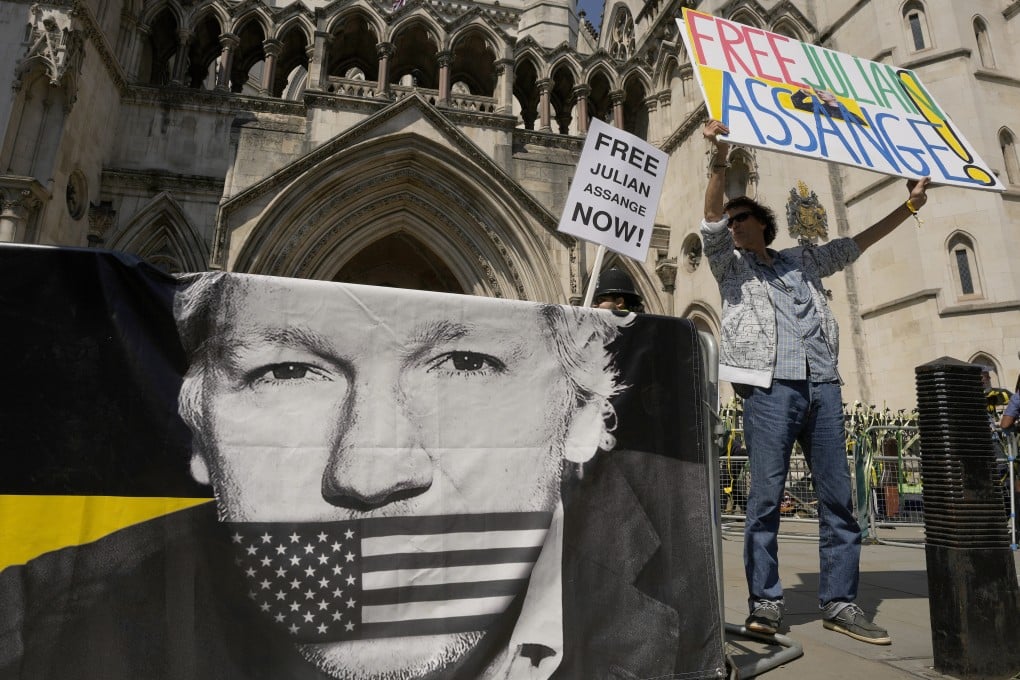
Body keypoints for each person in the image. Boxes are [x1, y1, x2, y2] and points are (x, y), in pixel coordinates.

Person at [0, 260, 724, 680]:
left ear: (582, 420)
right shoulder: (39, 615)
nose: (367, 472)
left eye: (466, 364)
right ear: (198, 432)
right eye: (287, 372)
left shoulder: (679, 564)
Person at [700, 118, 930, 646]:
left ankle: (840, 603)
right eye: (730, 220)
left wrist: (912, 205)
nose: (731, 225)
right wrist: (718, 158)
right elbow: (709, 218)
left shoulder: (803, 261)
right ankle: (766, 603)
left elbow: (857, 244)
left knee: (839, 499)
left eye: (741, 218)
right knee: (764, 500)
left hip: (823, 385)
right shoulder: (731, 270)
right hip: (769, 388)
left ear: (761, 223)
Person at [790, 87, 866, 126]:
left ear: (832, 96)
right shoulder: (815, 107)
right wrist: (802, 93)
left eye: (822, 92)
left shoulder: (851, 115)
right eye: (817, 92)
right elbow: (797, 105)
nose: (819, 94)